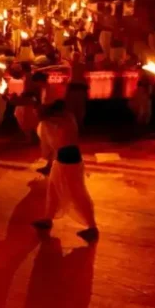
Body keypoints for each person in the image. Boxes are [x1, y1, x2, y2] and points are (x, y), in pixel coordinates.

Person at [33, 100, 99, 243]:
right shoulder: (66, 116)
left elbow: (41, 116)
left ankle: (92, 228)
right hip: (65, 156)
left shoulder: (63, 117)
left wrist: (35, 105)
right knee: (53, 187)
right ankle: (48, 219)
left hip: (69, 157)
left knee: (77, 193)